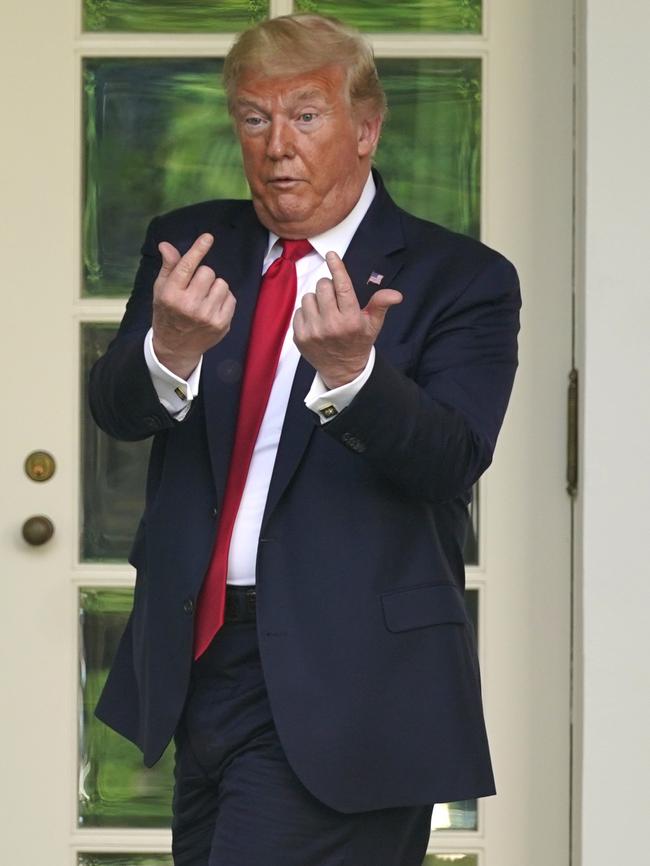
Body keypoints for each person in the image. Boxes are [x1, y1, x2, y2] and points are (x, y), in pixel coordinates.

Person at [89, 13, 520, 866]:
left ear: (366, 127)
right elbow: (117, 411)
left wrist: (355, 376)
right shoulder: (191, 249)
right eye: (255, 118)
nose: (277, 144)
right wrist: (169, 349)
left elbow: (451, 459)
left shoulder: (461, 278)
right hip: (203, 658)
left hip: (351, 677)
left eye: (306, 115)